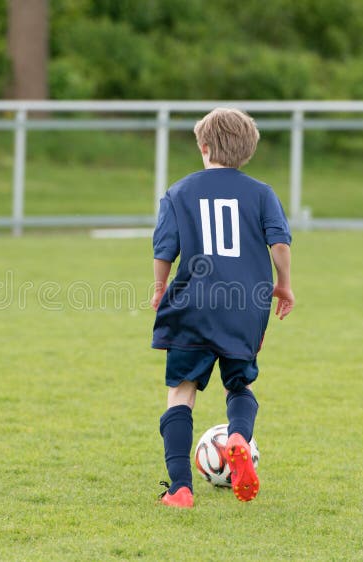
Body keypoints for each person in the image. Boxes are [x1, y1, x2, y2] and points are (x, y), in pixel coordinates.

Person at [151, 108, 295, 508]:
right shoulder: (263, 194)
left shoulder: (179, 192)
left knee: (181, 392)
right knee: (240, 384)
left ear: (204, 146)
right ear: (247, 152)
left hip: (192, 304)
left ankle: (180, 488)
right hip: (246, 304)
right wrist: (283, 284)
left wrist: (160, 288)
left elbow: (164, 248)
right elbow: (279, 244)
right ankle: (237, 437)